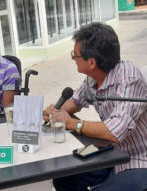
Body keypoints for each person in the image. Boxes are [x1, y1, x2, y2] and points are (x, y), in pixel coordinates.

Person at [44, 23, 147, 191]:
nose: (72, 58)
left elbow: (114, 132)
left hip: (138, 160)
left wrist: (70, 123)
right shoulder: (94, 77)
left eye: (75, 55)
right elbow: (76, 99)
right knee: (64, 177)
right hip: (112, 154)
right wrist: (58, 112)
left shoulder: (129, 79)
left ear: (91, 62)